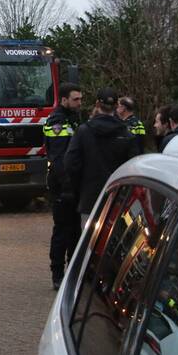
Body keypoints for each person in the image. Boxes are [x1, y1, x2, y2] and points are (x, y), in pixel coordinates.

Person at [65, 88, 142, 226]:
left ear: (97, 104)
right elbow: (134, 167)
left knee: (89, 243)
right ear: (116, 106)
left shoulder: (83, 131)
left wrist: (80, 187)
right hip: (118, 199)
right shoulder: (126, 134)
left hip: (90, 198)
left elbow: (71, 164)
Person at [44, 82, 83, 290]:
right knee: (62, 230)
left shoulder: (73, 118)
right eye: (75, 99)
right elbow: (60, 159)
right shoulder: (57, 121)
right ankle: (57, 274)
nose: (79, 103)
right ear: (64, 100)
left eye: (80, 99)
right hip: (62, 186)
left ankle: (73, 272)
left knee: (75, 230)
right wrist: (67, 187)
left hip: (73, 186)